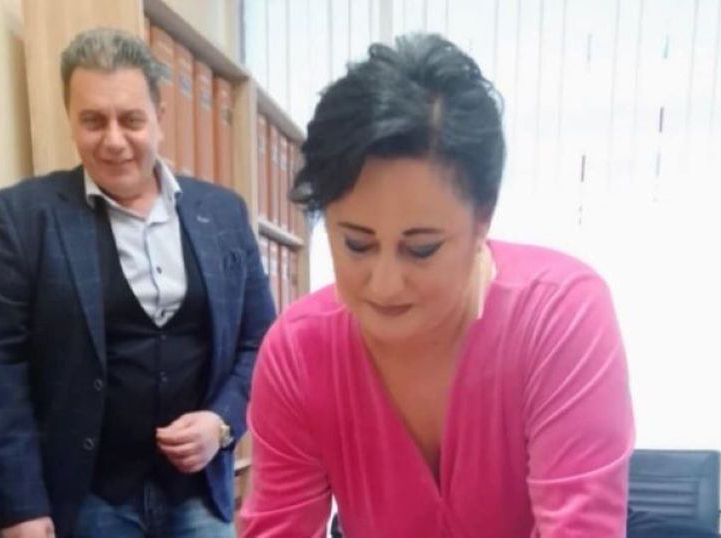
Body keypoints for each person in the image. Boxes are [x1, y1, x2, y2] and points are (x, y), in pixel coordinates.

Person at [240, 33, 634, 537]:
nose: (384, 285)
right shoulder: (299, 353)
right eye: (357, 244)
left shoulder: (559, 318)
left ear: (483, 216)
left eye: (421, 248)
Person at [0, 28, 275, 538]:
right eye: (93, 120)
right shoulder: (27, 218)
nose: (113, 141)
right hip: (87, 499)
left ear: (160, 118)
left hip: (199, 494)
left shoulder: (222, 213)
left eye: (131, 120)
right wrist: (20, 505)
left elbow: (261, 339)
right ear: (70, 119)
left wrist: (222, 423)